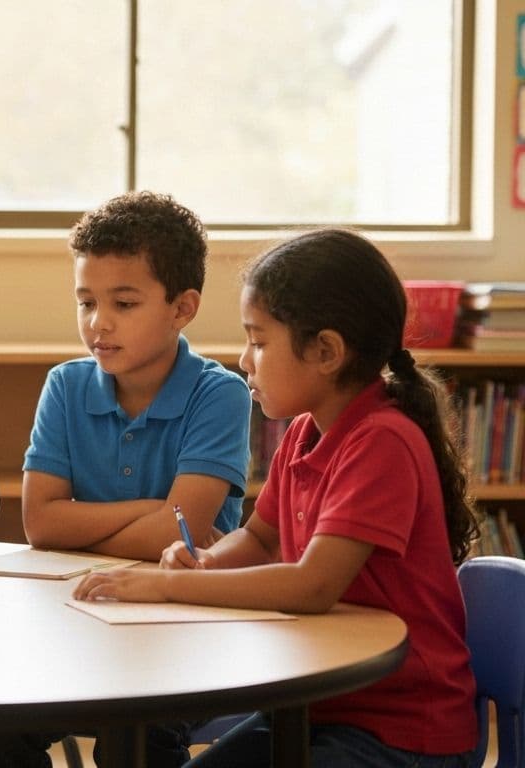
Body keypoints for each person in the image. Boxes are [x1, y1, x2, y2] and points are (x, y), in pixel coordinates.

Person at [73, 228, 479, 767]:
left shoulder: (382, 439)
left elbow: (311, 585)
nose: (245, 360)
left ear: (327, 352)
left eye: (259, 342)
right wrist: (206, 563)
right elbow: (260, 535)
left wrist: (168, 586)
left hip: (402, 729)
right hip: (313, 702)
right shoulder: (305, 432)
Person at [0, 191, 251, 768]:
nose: (99, 323)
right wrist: (153, 512)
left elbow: (182, 529)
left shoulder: (220, 393)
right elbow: (41, 524)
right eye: (86, 302)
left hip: (186, 629)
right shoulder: (66, 386)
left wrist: (90, 525)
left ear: (182, 307)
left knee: (135, 739)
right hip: (76, 621)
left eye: (124, 302)